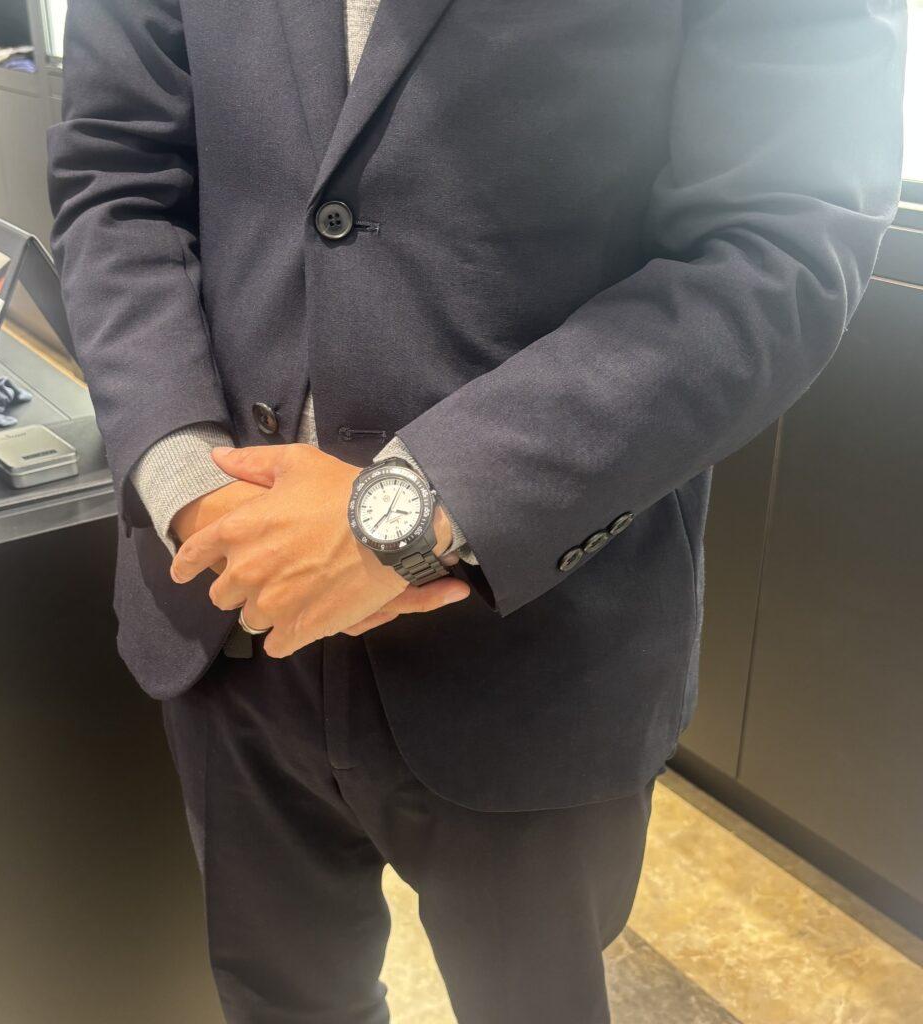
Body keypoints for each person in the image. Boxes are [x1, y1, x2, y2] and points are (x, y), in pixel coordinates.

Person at [47, 2, 906, 1021]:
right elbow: (115, 178)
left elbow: (781, 243)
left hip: (536, 643)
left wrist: (415, 509)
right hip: (227, 616)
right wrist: (187, 482)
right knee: (276, 1000)